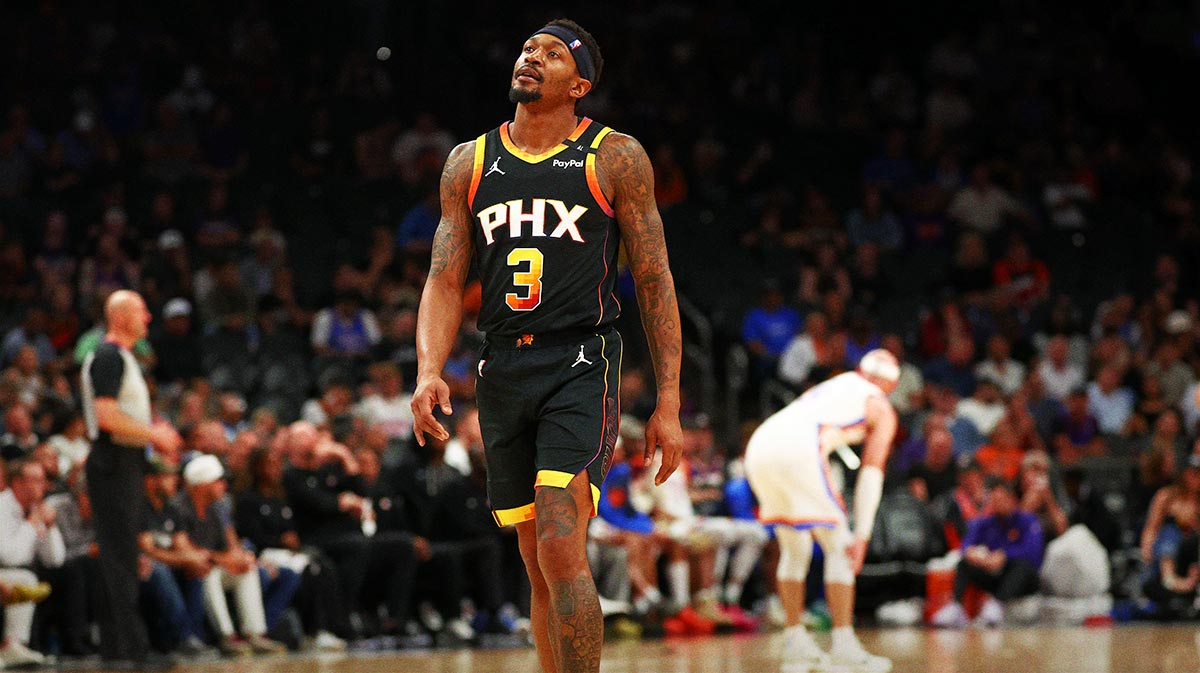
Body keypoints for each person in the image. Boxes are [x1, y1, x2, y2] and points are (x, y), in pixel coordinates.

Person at [411, 18, 684, 673]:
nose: (532, 56)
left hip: (581, 360)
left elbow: (653, 278)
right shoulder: (469, 161)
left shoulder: (613, 155)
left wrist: (669, 399)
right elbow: (444, 277)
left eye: (553, 53)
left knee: (564, 542)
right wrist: (428, 369)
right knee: (537, 564)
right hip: (503, 365)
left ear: (579, 83)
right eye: (529, 46)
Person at [744, 349, 901, 672]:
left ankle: (795, 641)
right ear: (891, 384)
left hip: (760, 444)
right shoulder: (881, 405)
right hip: (800, 446)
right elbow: (872, 470)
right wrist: (862, 534)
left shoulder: (835, 384)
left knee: (794, 545)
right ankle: (844, 646)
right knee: (840, 545)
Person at [80, 289, 182, 670]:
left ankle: (124, 648)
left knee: (124, 555)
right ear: (120, 316)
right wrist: (154, 434)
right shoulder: (108, 356)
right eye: (142, 311)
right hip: (112, 462)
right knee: (119, 557)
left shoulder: (122, 357)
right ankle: (126, 650)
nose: (149, 318)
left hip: (125, 462)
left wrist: (152, 434)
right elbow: (106, 416)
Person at [931, 478, 1045, 628]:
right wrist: (973, 554)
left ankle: (996, 605)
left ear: (1011, 499)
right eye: (994, 500)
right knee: (964, 563)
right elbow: (967, 544)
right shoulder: (986, 523)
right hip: (995, 575)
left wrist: (1004, 555)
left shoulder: (1028, 520)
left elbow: (1033, 553)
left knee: (1021, 566)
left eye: (1001, 499)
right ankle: (956, 608)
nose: (998, 504)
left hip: (1022, 580)